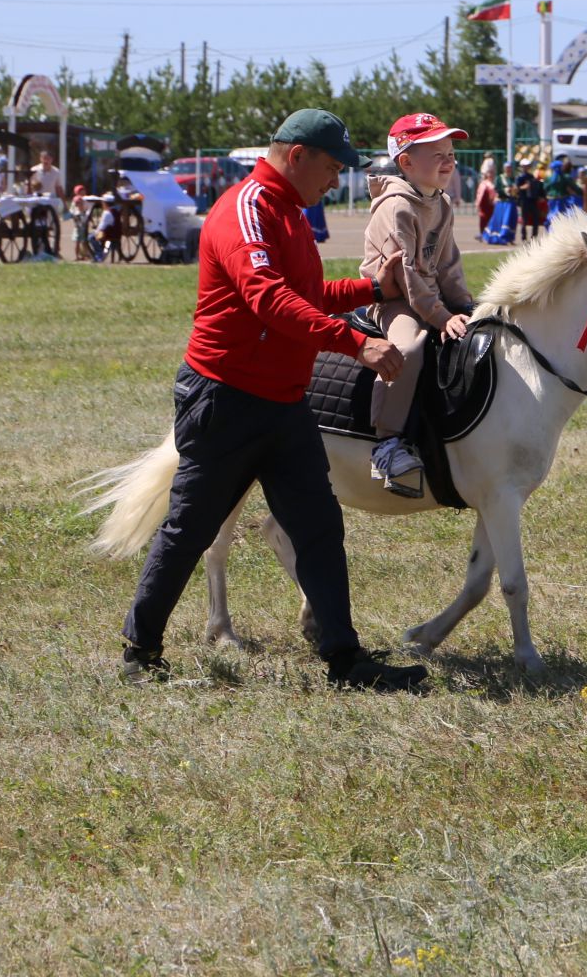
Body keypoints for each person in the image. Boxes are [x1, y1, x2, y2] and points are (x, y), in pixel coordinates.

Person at [120, 109, 426, 690]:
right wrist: (356, 343)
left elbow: (305, 293)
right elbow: (267, 299)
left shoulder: (286, 211)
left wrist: (371, 290)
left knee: (318, 526)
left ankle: (345, 661)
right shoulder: (248, 210)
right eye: (332, 168)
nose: (334, 181)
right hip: (225, 400)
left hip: (283, 402)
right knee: (189, 528)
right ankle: (141, 652)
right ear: (297, 155)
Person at [359, 113, 476, 496]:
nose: (449, 161)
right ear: (406, 162)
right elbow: (406, 278)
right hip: (391, 300)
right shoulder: (397, 207)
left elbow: (448, 264)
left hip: (427, 297)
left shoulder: (441, 204)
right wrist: (442, 318)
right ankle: (387, 442)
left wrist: (465, 307)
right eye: (437, 153)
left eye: (451, 153)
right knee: (408, 347)